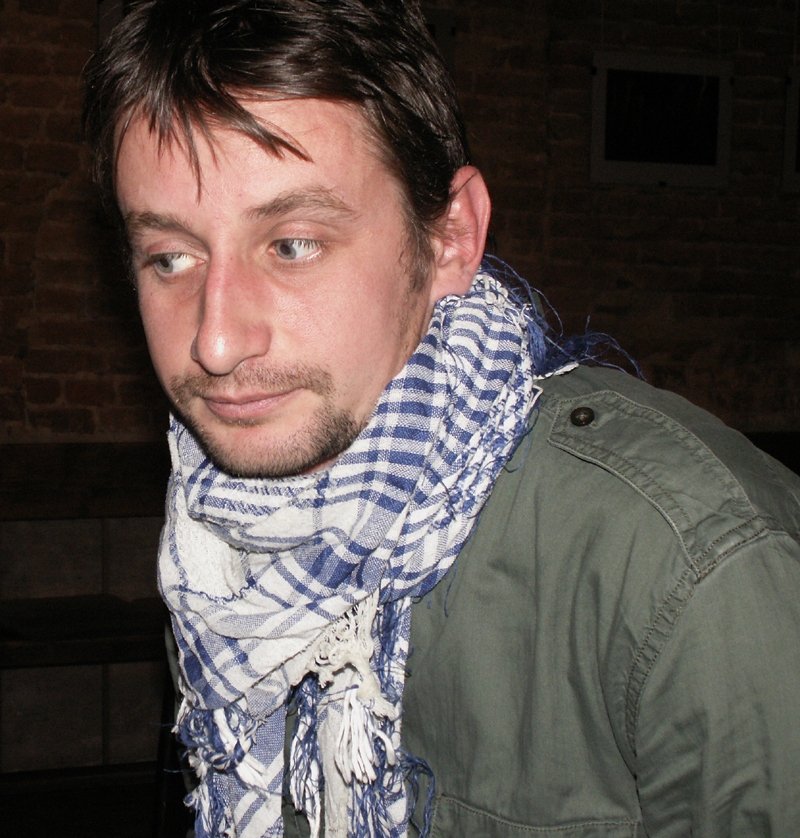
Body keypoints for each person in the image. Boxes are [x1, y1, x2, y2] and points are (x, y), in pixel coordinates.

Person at [82, 1, 800, 836]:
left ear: (450, 237)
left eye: (293, 244)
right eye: (171, 257)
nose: (214, 341)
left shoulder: (691, 569)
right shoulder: (216, 543)